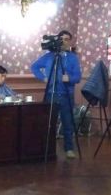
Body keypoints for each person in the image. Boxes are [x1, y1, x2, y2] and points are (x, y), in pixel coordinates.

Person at [31, 30, 82, 159]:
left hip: (66, 95)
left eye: (67, 39)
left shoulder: (72, 58)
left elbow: (78, 77)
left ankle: (69, 149)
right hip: (51, 94)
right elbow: (34, 67)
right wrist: (43, 78)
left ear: (69, 42)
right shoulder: (49, 56)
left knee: (67, 123)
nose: (64, 42)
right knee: (49, 123)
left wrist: (69, 78)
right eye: (62, 39)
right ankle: (48, 149)